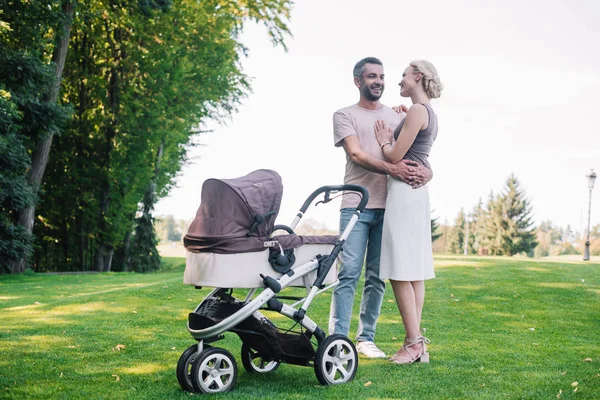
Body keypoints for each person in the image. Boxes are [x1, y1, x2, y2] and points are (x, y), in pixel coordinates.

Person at [329, 57, 432, 358]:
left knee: (377, 276)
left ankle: (366, 339)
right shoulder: (344, 115)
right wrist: (393, 170)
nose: (379, 81)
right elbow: (357, 154)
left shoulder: (398, 115)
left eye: (382, 76)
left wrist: (429, 173)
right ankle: (338, 340)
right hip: (355, 205)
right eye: (372, 76)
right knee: (347, 274)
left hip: (390, 207)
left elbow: (417, 149)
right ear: (358, 82)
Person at [374, 60, 443, 364]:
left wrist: (384, 140)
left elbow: (396, 155)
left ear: (417, 76)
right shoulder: (426, 112)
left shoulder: (417, 111)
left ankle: (414, 342)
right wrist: (403, 117)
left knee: (401, 268)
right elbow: (418, 148)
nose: (398, 81)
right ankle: (418, 345)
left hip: (403, 193)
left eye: (403, 75)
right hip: (417, 196)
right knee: (413, 270)